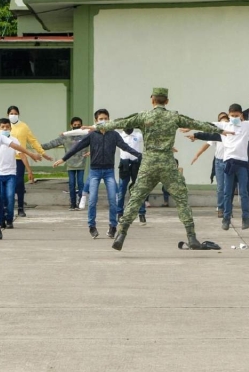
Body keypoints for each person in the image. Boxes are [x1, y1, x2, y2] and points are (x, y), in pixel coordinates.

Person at [86, 88, 232, 251]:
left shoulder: (144, 116)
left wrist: (98, 127)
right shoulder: (173, 116)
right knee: (181, 198)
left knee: (135, 199)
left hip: (148, 164)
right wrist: (221, 130)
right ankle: (191, 237)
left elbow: (119, 123)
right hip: (167, 164)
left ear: (152, 100)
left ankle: (121, 234)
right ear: (167, 101)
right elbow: (197, 123)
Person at [53, 109, 141, 239]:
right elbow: (77, 147)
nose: (103, 121)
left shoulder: (114, 135)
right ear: (96, 121)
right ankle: (92, 226)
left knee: (113, 199)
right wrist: (63, 159)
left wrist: (140, 155)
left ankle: (112, 226)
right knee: (93, 200)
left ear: (109, 119)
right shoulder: (92, 135)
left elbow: (125, 147)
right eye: (100, 119)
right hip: (95, 171)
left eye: (105, 118)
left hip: (109, 171)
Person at [7, 105, 51, 217]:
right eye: (11, 113)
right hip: (6, 159)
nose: (13, 115)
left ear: (18, 114)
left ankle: (20, 207)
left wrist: (42, 153)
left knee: (19, 183)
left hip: (20, 159)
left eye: (15, 113)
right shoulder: (4, 127)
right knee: (8, 184)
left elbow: (33, 141)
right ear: (7, 114)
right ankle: (8, 207)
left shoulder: (23, 126)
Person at [42, 117, 88, 210]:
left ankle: (80, 203)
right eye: (74, 125)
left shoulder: (85, 136)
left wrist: (90, 152)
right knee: (71, 183)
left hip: (81, 163)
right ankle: (72, 203)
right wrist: (37, 146)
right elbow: (52, 143)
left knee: (80, 183)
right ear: (71, 125)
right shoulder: (65, 136)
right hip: (70, 163)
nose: (76, 126)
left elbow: (96, 144)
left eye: (78, 125)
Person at [0, 118, 35, 229]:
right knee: (1, 198)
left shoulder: (14, 141)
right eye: (2, 127)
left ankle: (9, 220)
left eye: (7, 127)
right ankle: (2, 219)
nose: (5, 129)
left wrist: (29, 170)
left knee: (10, 196)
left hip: (11, 174)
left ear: (10, 128)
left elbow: (22, 154)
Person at [190, 112, 230, 218]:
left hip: (230, 162)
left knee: (228, 187)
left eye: (225, 120)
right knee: (221, 187)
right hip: (219, 162)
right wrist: (196, 155)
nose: (223, 122)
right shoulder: (216, 135)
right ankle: (221, 208)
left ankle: (228, 209)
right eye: (221, 120)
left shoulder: (231, 134)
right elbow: (206, 144)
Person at [117, 128, 147, 224]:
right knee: (122, 190)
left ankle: (141, 213)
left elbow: (150, 140)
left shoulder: (138, 135)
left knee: (138, 189)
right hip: (124, 163)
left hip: (136, 163)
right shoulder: (120, 135)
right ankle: (120, 213)